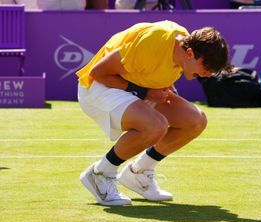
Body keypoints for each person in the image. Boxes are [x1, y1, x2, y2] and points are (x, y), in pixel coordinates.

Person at [77, 20, 229, 206]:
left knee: (195, 120)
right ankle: (100, 173)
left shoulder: (182, 46)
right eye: (207, 69)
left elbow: (157, 72)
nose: (208, 74)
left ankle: (139, 174)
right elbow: (99, 72)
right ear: (190, 54)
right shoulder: (154, 40)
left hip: (135, 88)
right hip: (98, 88)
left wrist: (166, 97)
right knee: (156, 125)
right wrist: (145, 93)